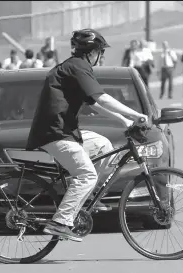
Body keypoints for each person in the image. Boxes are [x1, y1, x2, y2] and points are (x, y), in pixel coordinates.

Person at [26, 29, 149, 242]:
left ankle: (87, 196)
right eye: (101, 51)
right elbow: (101, 98)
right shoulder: (78, 67)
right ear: (92, 52)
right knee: (87, 175)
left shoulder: (75, 67)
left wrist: (124, 121)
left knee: (103, 145)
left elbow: (93, 102)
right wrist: (136, 114)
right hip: (54, 133)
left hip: (64, 130)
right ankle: (60, 222)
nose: (102, 56)